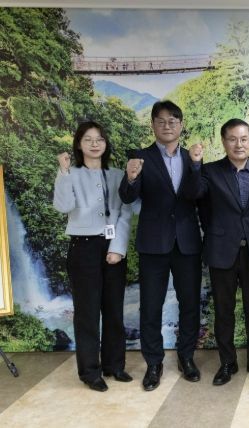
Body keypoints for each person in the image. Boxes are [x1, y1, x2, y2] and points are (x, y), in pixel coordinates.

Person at [119, 101, 203, 391]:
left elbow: (197, 194)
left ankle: (186, 357)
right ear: (153, 125)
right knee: (150, 306)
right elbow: (127, 197)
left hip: (187, 242)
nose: (167, 126)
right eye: (161, 121)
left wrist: (196, 166)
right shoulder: (140, 157)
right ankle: (154, 363)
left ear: (181, 125)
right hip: (153, 243)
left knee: (190, 304)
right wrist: (131, 177)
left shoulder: (191, 157)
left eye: (173, 121)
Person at [185, 119, 249, 386]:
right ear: (223, 142)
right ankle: (227, 362)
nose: (239, 144)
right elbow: (194, 194)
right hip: (221, 250)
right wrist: (195, 165)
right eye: (232, 139)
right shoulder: (210, 171)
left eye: (244, 139)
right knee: (224, 311)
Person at [53, 121, 133, 392]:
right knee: (87, 313)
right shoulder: (70, 173)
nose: (95, 144)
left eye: (99, 139)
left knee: (114, 310)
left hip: (113, 246)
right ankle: (90, 371)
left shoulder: (118, 175)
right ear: (79, 144)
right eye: (88, 139)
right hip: (83, 248)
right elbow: (63, 206)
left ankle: (115, 365)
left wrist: (118, 248)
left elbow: (125, 212)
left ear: (106, 143)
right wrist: (63, 173)